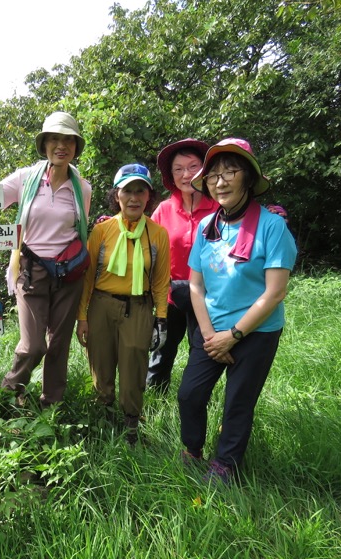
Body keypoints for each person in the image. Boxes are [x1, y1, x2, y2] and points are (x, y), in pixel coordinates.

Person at [0, 111, 92, 408]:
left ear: (75, 146)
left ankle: (52, 404)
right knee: (33, 345)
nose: (61, 146)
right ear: (45, 144)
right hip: (32, 271)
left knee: (60, 344)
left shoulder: (82, 187)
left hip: (68, 276)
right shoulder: (26, 178)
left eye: (68, 140)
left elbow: (79, 232)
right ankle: (7, 393)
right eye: (54, 139)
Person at [177, 138, 297, 484]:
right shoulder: (207, 227)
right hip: (211, 328)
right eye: (213, 175)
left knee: (238, 402)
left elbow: (275, 292)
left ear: (248, 178)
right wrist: (211, 335)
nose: (220, 181)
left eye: (230, 171)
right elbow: (195, 286)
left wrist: (235, 336)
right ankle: (193, 449)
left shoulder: (272, 227)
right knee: (189, 394)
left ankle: (226, 464)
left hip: (256, 332)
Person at [76, 164, 170, 444]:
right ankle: (102, 419)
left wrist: (161, 319)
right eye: (127, 190)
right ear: (116, 195)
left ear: (148, 196)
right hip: (101, 305)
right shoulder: (102, 232)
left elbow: (161, 281)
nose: (133, 197)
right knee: (101, 366)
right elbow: (88, 279)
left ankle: (131, 424)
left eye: (140, 190)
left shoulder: (157, 234)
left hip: (139, 307)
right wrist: (82, 316)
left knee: (134, 368)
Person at [146, 139, 218, 394]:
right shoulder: (164, 210)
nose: (186, 174)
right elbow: (147, 246)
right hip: (169, 296)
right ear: (171, 175)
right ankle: (154, 401)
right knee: (161, 351)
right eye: (178, 169)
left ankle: (195, 399)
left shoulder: (219, 208)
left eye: (193, 166)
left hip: (209, 296)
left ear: (204, 169)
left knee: (202, 352)